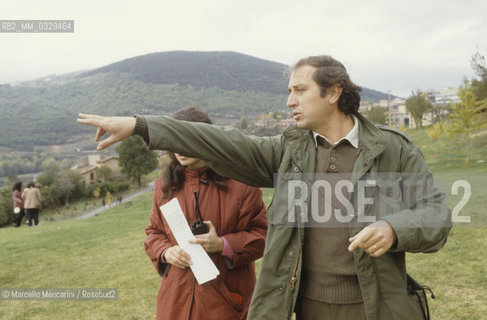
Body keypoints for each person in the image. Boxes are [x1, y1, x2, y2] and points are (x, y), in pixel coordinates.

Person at [78, 55, 451, 320]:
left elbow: (436, 214)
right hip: (307, 306)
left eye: (300, 90)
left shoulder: (393, 148)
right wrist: (142, 126)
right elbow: (222, 142)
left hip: (377, 307)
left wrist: (393, 228)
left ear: (334, 92)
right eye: (289, 91)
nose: (289, 100)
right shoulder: (288, 150)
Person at [144, 107, 268, 320]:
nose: (179, 148)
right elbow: (154, 232)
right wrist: (165, 251)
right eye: (174, 141)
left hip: (225, 304)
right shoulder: (164, 186)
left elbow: (264, 237)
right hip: (174, 302)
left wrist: (223, 244)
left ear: (206, 139)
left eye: (186, 140)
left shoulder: (243, 183)